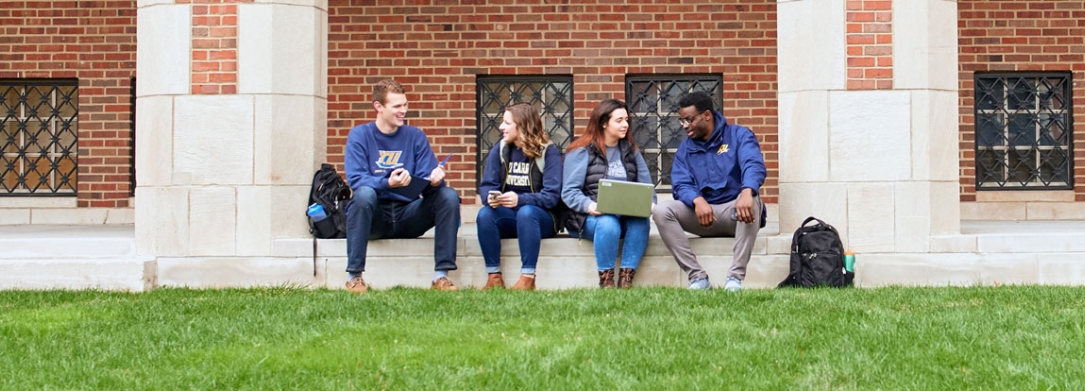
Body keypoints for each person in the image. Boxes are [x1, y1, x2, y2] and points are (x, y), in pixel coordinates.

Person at [343, 79, 461, 294]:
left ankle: (441, 276)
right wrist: (387, 182)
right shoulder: (360, 135)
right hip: (375, 218)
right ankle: (354, 277)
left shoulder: (415, 136)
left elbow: (427, 180)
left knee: (448, 195)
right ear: (378, 107)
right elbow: (356, 180)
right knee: (364, 194)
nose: (403, 111)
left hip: (409, 215)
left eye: (405, 105)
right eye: (397, 106)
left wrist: (435, 180)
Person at [652, 91, 766, 291]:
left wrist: (747, 191)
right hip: (703, 217)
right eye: (682, 121)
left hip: (736, 214)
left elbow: (753, 165)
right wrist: (697, 200)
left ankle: (734, 279)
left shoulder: (739, 135)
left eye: (689, 119)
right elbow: (680, 184)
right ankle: (698, 278)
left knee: (752, 198)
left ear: (706, 116)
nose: (685, 126)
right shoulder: (685, 149)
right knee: (661, 211)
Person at [561, 99, 654, 289]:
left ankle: (626, 279)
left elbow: (647, 187)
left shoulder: (631, 152)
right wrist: (589, 205)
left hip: (625, 214)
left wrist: (648, 205)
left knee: (640, 222)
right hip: (588, 217)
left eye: (626, 120)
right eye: (619, 120)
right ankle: (607, 280)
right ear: (604, 123)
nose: (625, 125)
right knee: (608, 223)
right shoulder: (581, 151)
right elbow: (569, 191)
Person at [476, 103, 564, 291]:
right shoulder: (500, 150)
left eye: (507, 123)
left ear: (522, 126)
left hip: (542, 219)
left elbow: (552, 197)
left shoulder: (548, 152)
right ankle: (494, 277)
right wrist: (490, 198)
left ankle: (527, 278)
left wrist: (520, 199)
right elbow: (487, 186)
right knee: (485, 215)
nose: (501, 127)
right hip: (511, 216)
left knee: (526, 213)